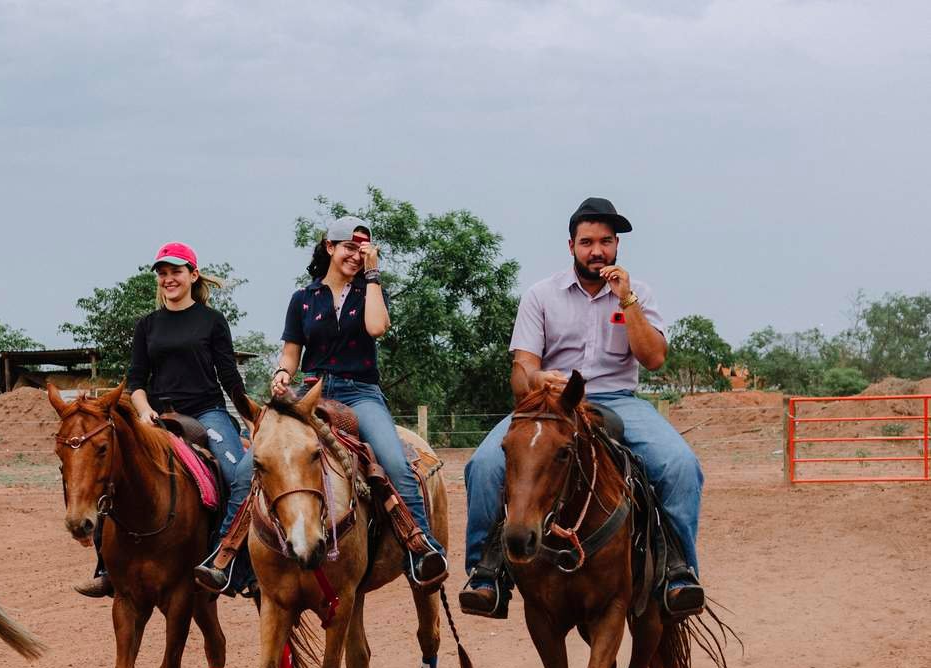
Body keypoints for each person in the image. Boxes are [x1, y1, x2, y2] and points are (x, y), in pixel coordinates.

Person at [459, 196, 706, 619]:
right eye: (588, 242)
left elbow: (653, 359)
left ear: (617, 246)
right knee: (483, 465)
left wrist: (627, 301)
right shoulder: (541, 295)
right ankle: (487, 572)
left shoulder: (638, 294)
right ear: (571, 245)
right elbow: (521, 371)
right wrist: (538, 378)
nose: (597, 251)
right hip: (552, 405)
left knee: (681, 465)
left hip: (618, 400)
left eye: (606, 242)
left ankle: (677, 572)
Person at [254, 216, 448, 589]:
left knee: (395, 463)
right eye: (349, 248)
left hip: (360, 393)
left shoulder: (369, 290)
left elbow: (376, 327)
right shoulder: (303, 298)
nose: (356, 256)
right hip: (310, 392)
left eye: (363, 250)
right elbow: (292, 352)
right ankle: (236, 556)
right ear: (330, 247)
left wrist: (373, 276)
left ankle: (421, 547)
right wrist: (282, 373)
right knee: (254, 461)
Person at [76, 242, 255, 597]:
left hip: (206, 413)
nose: (168, 279)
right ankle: (106, 565)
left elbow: (229, 378)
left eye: (176, 271)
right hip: (158, 414)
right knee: (111, 470)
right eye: (163, 273)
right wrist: (143, 410)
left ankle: (227, 561)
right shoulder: (147, 325)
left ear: (193, 275)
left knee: (239, 477)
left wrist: (253, 419)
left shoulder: (212, 321)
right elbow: (136, 380)